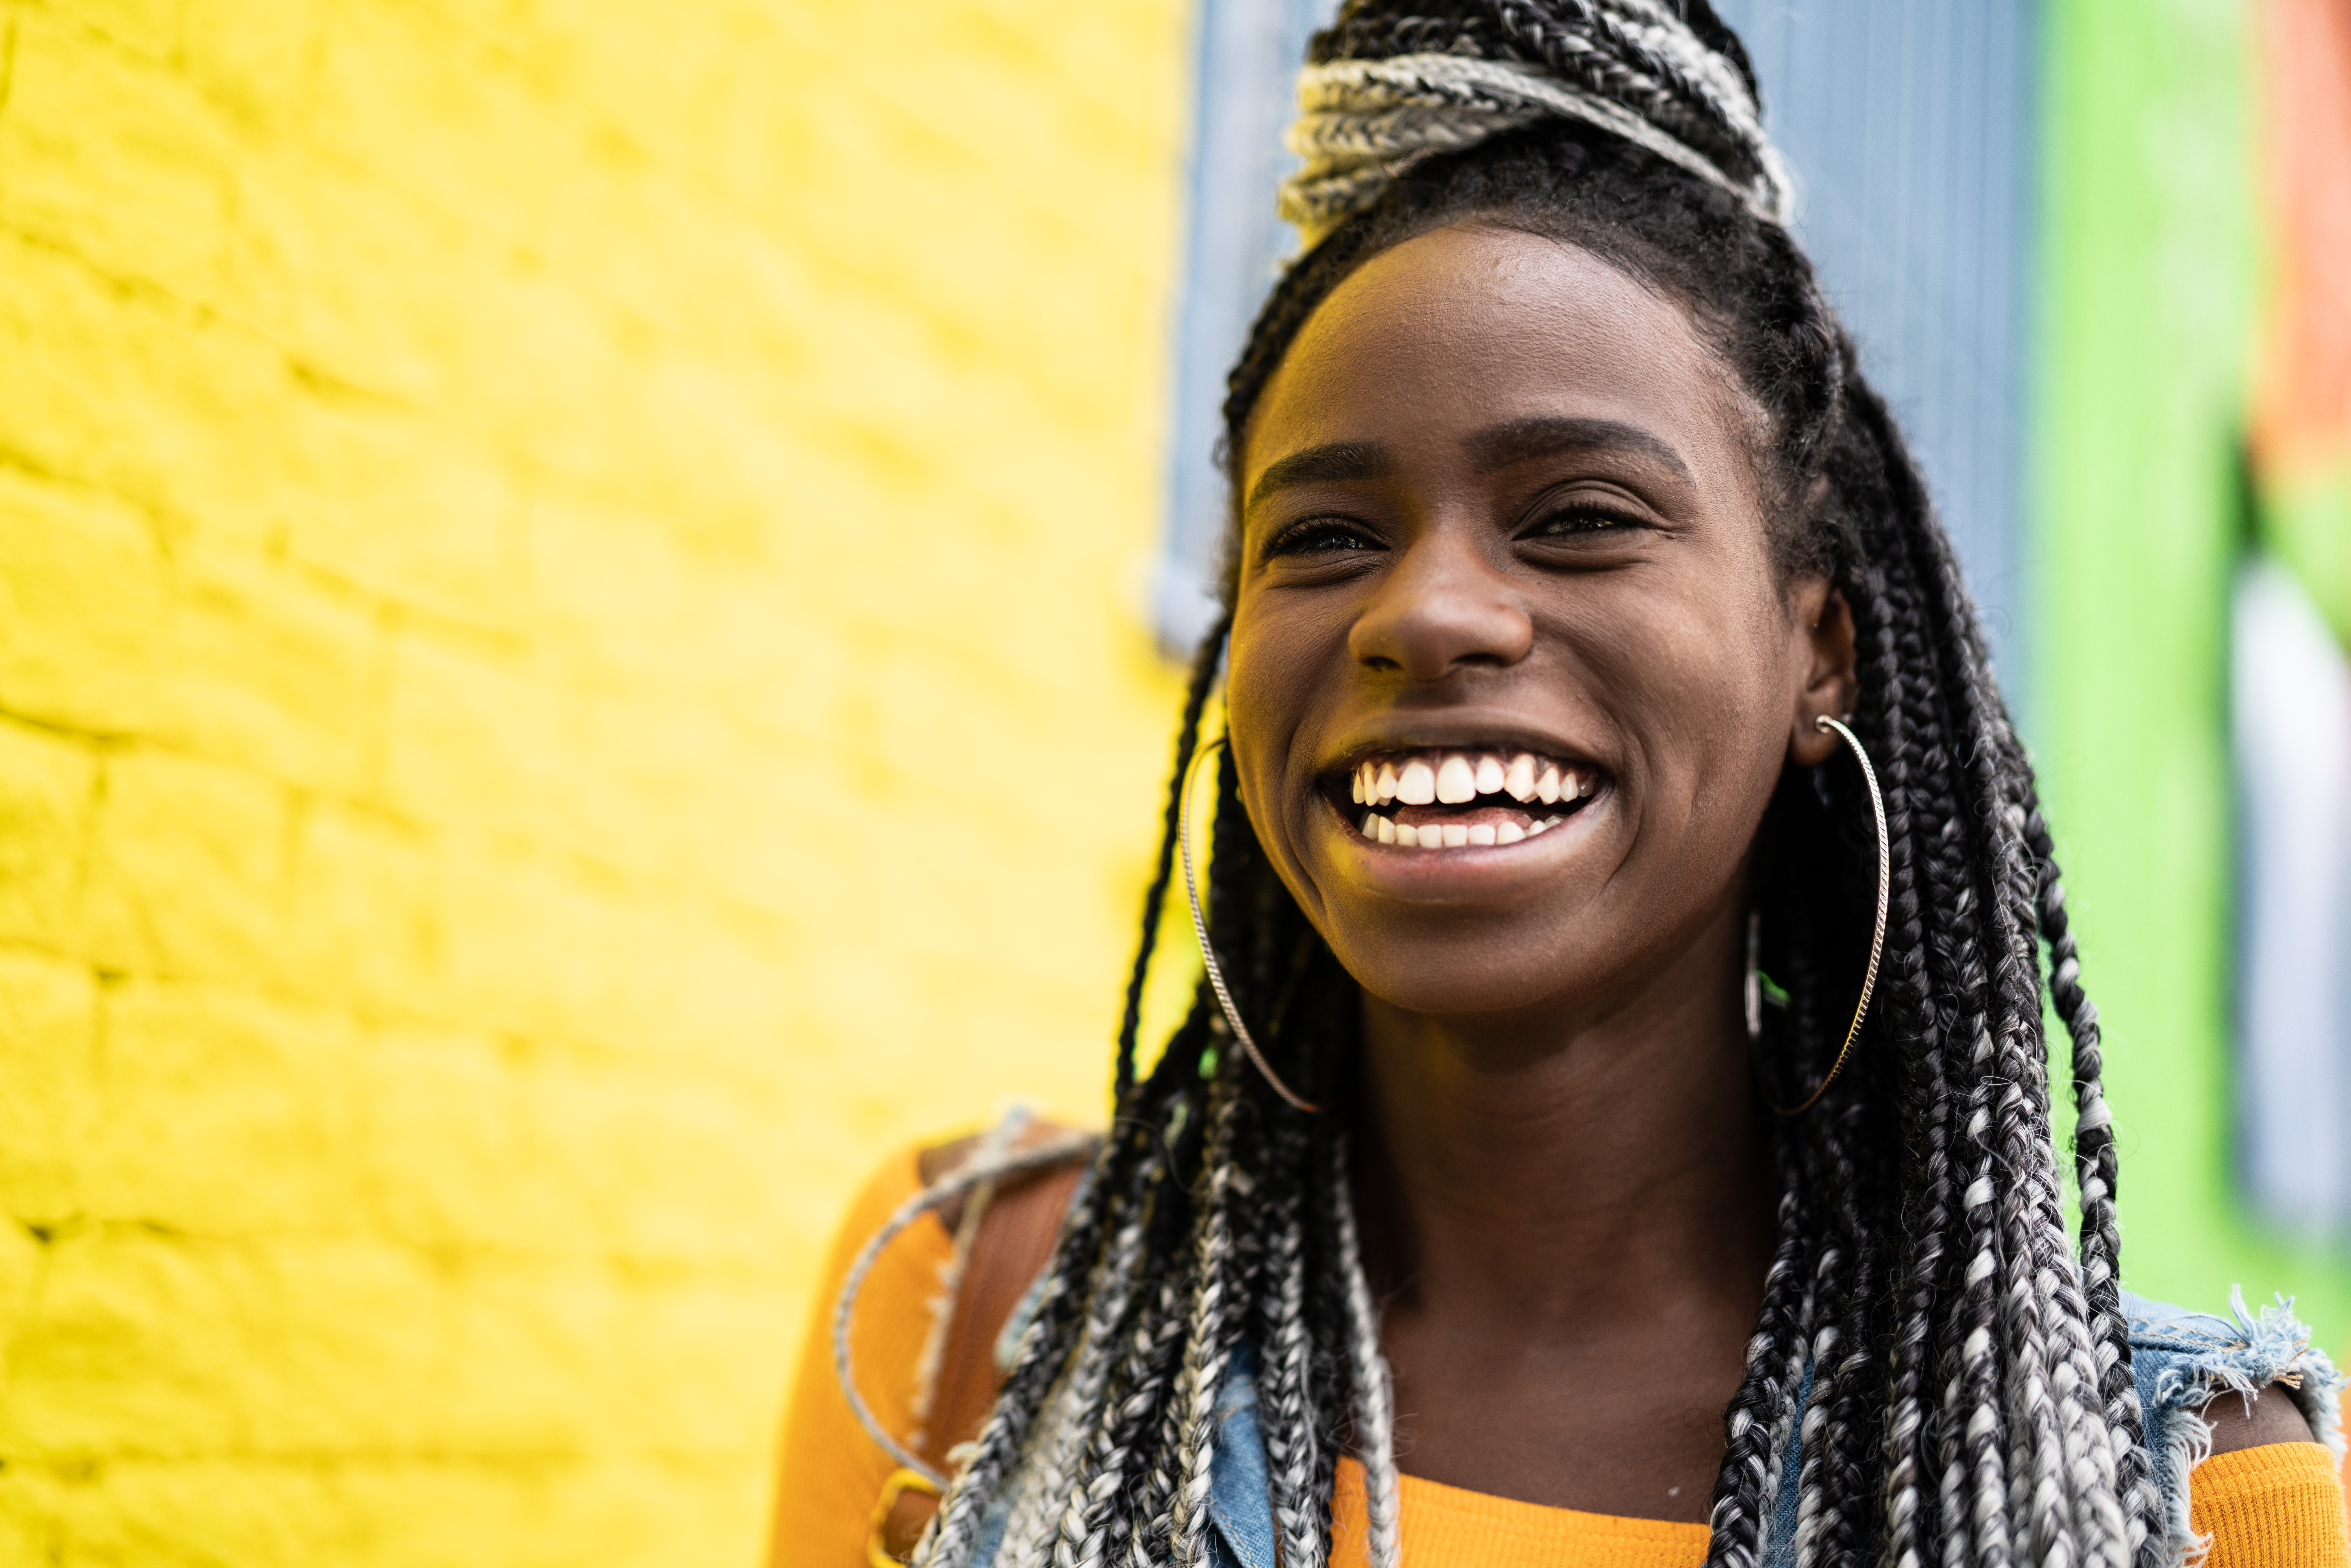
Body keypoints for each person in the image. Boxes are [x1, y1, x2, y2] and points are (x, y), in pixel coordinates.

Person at [772, 4, 2350, 1564]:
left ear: (1821, 650)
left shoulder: (2183, 1495)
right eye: (1323, 537)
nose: (1430, 612)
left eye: (1581, 515)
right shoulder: (970, 1314)